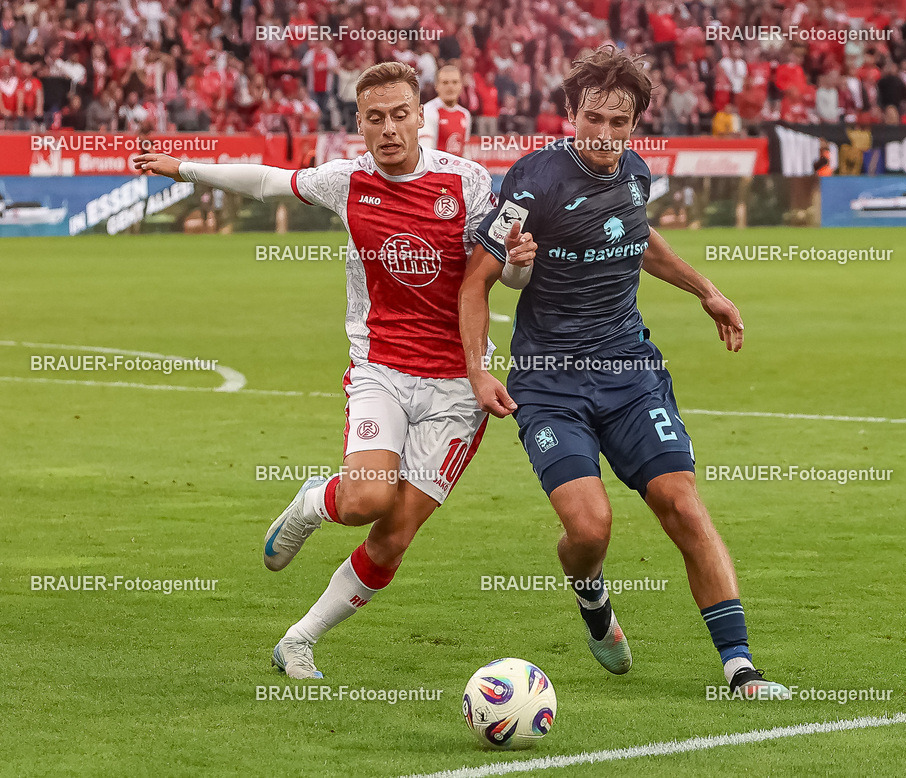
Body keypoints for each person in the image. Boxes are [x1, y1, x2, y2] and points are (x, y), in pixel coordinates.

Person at [133, 61, 535, 680]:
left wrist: (521, 264)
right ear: (359, 123)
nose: (390, 128)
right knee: (365, 500)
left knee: (395, 536)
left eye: (401, 114)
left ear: (421, 116)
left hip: (458, 386)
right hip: (381, 369)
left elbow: (500, 275)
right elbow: (268, 181)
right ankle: (310, 504)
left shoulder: (469, 183)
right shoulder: (346, 180)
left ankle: (298, 640)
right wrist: (182, 166)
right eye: (375, 118)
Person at [460, 47, 790, 699]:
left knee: (682, 504)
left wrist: (706, 290)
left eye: (619, 122)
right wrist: (477, 369)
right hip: (549, 385)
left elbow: (638, 237)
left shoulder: (635, 172)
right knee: (589, 529)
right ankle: (592, 601)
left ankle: (741, 669)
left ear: (636, 122)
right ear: (571, 114)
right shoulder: (535, 179)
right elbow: (478, 281)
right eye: (593, 118)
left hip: (630, 376)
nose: (605, 135)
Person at [419, 63, 471, 155]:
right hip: (435, 169)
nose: (450, 87)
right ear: (436, 86)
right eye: (445, 82)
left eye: (455, 82)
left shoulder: (465, 114)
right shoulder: (428, 112)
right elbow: (425, 152)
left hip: (456, 169)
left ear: (460, 86)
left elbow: (465, 152)